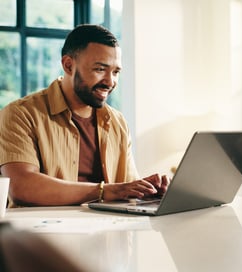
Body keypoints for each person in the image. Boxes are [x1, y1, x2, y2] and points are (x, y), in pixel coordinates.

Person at [0, 24, 169, 207]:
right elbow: (21, 187)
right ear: (68, 65)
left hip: (107, 230)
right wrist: (104, 191)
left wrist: (147, 193)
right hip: (42, 233)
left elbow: (124, 189)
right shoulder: (20, 114)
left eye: (115, 72)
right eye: (100, 69)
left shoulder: (117, 122)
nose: (110, 82)